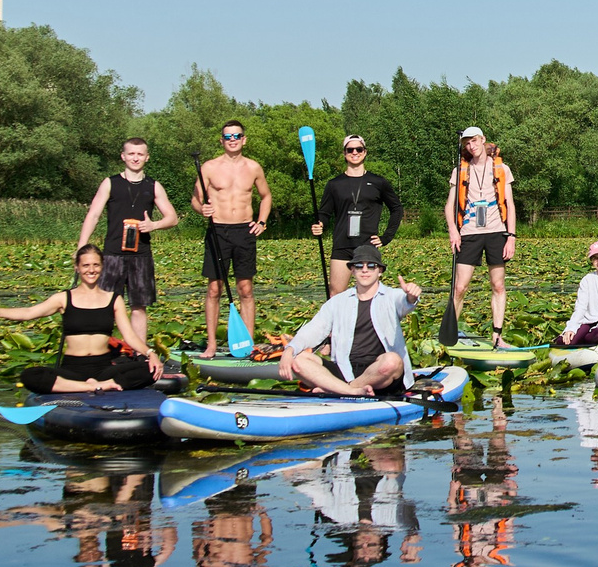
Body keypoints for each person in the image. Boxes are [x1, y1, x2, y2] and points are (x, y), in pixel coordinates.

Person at [0, 244, 159, 392]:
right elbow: (30, 313)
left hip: (104, 369)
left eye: (96, 265)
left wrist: (150, 354)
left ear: (102, 267)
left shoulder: (114, 299)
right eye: (86, 266)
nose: (91, 270)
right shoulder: (63, 298)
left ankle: (94, 385)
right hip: (72, 369)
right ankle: (88, 387)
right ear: (77, 268)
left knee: (150, 370)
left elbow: (129, 336)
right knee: (29, 376)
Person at [76, 138, 180, 353]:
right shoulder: (110, 183)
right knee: (105, 304)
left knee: (139, 307)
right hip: (112, 254)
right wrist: (81, 247)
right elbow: (93, 214)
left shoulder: (154, 186)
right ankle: (100, 351)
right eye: (131, 154)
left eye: (140, 154)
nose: (135, 158)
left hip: (140, 255)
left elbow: (172, 218)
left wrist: (153, 225)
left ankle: (138, 353)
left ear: (147, 157)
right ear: (123, 156)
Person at [282, 242, 425, 397]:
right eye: (359, 266)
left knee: (392, 361)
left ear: (380, 271)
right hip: (345, 369)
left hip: (379, 372)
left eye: (371, 266)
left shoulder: (392, 296)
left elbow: (406, 303)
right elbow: (314, 329)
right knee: (298, 360)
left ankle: (336, 389)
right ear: (352, 270)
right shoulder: (337, 302)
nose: (365, 270)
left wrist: (411, 296)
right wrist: (289, 350)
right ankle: (351, 390)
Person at [191, 121, 272, 354]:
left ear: (244, 139)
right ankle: (212, 344)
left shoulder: (253, 167)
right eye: (228, 137)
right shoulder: (209, 167)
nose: (233, 139)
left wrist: (262, 222)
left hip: (244, 231)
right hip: (218, 231)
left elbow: (266, 196)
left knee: (245, 289)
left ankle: (247, 344)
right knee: (214, 289)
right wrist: (201, 209)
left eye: (237, 135)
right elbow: (195, 199)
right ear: (222, 141)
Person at [443, 126, 518, 342]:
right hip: (468, 233)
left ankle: (497, 336)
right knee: (459, 287)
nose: (471, 146)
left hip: (496, 232)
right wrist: (453, 232)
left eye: (474, 141)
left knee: (498, 285)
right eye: (466, 143)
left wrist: (511, 236)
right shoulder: (460, 170)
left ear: (483, 139)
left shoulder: (502, 168)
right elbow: (449, 207)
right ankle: (452, 335)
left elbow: (510, 206)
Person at [311, 135, 404, 297]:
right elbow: (324, 213)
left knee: (367, 294)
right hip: (342, 246)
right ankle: (339, 323)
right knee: (336, 294)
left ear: (365, 152)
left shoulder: (378, 182)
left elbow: (397, 209)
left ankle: (366, 323)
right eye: (350, 150)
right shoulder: (334, 184)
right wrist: (319, 224)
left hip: (367, 246)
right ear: (344, 153)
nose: (355, 152)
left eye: (359, 149)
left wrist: (386, 237)